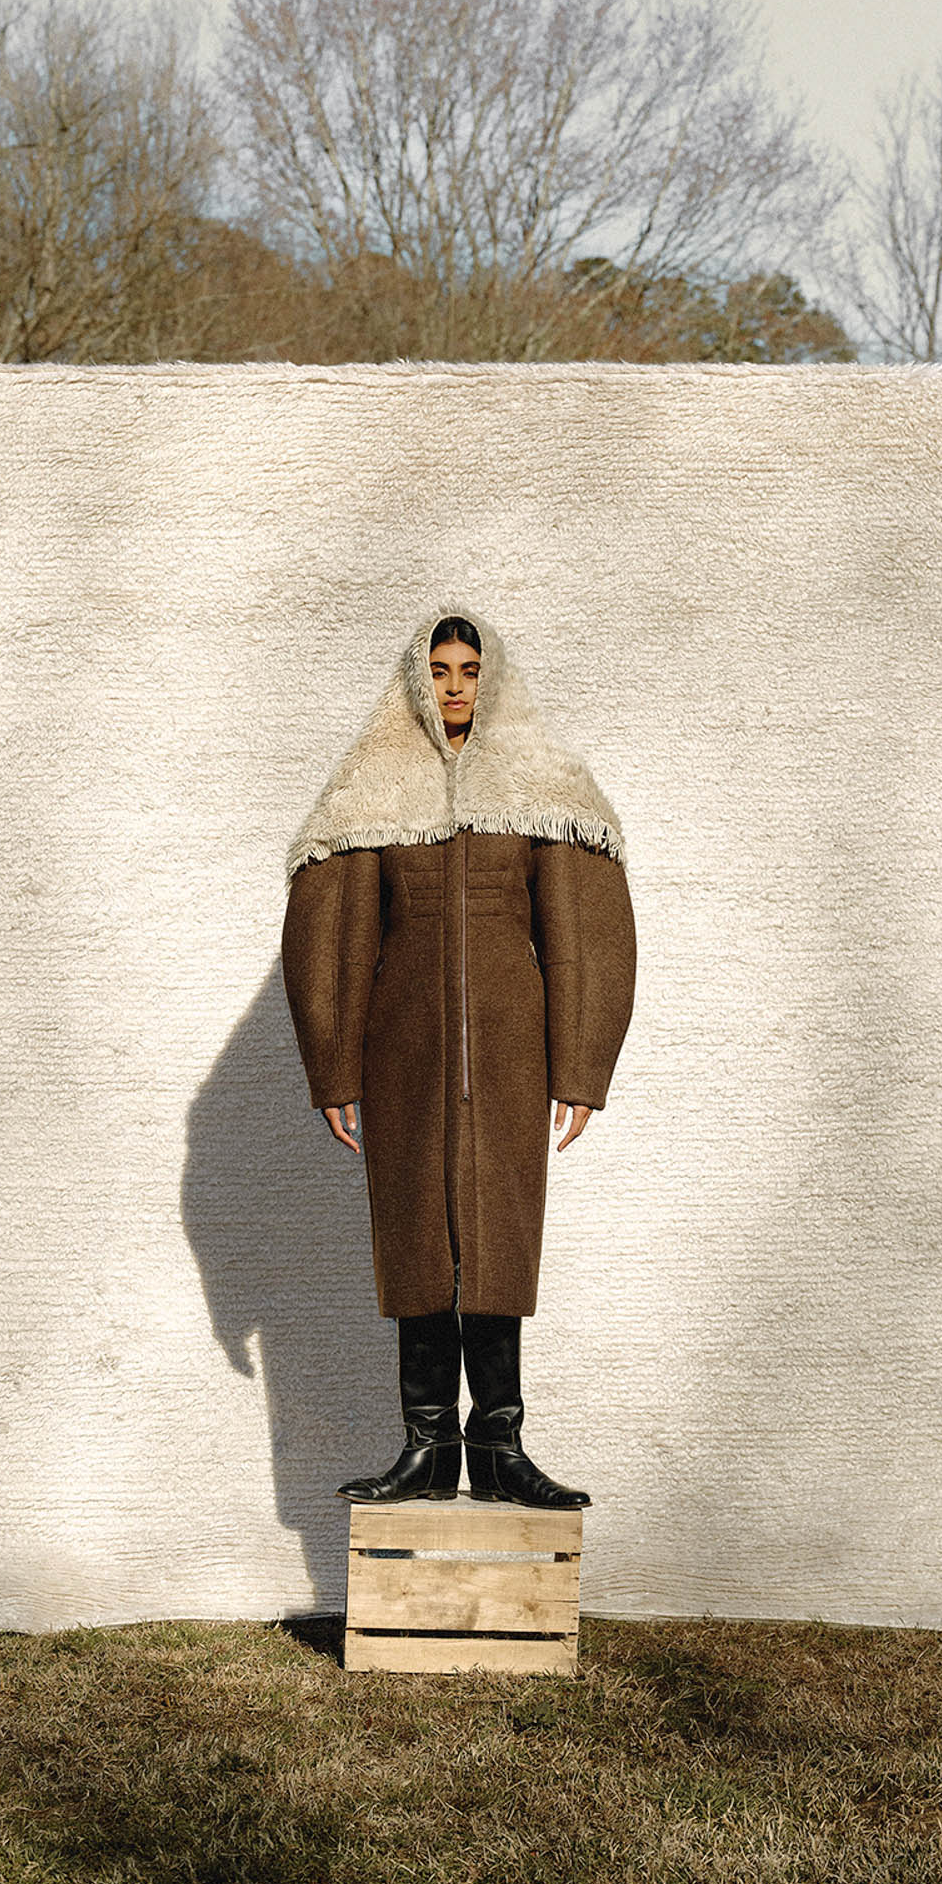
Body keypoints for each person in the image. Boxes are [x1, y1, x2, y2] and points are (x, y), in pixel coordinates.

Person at [280, 609, 636, 1509]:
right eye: (437, 669)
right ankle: (427, 1447)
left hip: (513, 1053)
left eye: (470, 669)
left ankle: (501, 1448)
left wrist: (579, 1069)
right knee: (418, 1246)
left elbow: (581, 937)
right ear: (414, 678)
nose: (453, 685)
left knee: (497, 1244)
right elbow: (336, 935)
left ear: (493, 678)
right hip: (403, 1053)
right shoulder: (374, 789)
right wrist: (335, 1067)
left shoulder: (542, 783)